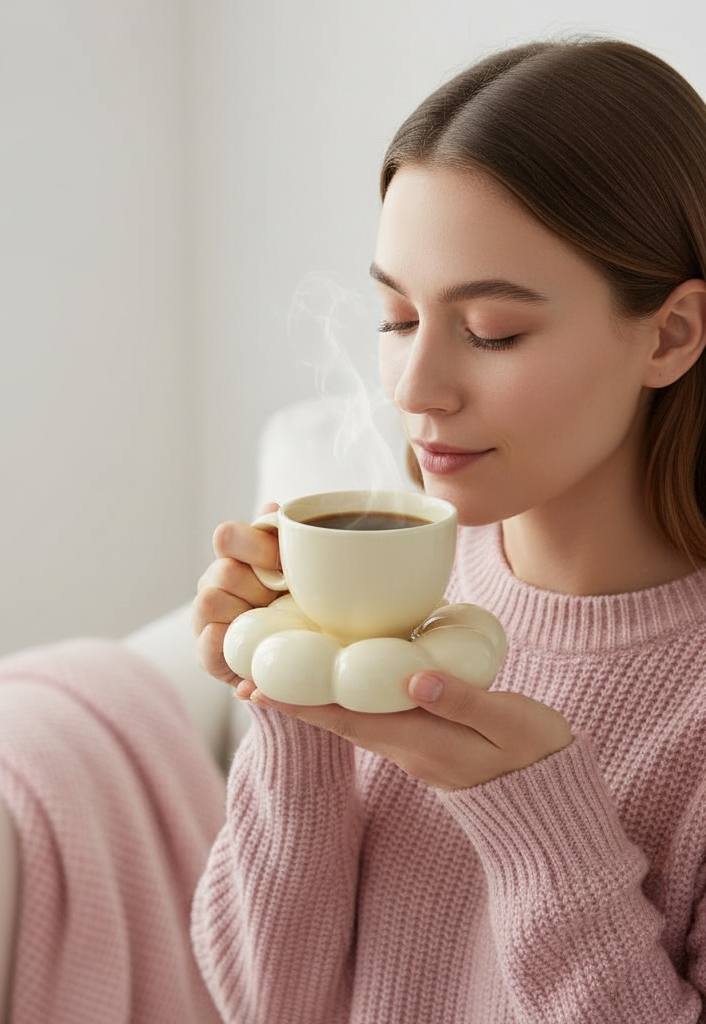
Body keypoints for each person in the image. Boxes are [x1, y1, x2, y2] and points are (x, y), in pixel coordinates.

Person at [191, 37, 706, 1023]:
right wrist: (295, 691)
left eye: (492, 332)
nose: (416, 389)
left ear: (670, 334)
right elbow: (269, 1002)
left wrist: (537, 822)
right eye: (393, 316)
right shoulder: (400, 596)